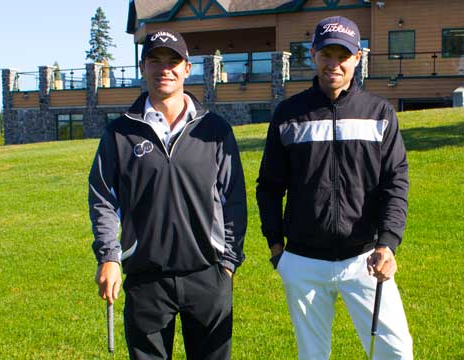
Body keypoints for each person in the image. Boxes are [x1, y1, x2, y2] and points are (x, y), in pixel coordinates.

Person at [256, 16, 413, 359]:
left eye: (343, 55)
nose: (334, 64)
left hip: (366, 259)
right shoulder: (289, 114)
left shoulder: (379, 113)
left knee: (395, 351)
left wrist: (388, 244)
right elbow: (268, 186)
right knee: (313, 355)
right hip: (303, 261)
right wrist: (276, 249)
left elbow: (395, 183)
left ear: (358, 58)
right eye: (326, 54)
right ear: (313, 54)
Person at [89, 30, 247, 360]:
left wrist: (229, 263)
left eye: (173, 61)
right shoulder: (120, 132)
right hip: (146, 277)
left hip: (208, 273)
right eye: (155, 61)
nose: (165, 69)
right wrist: (109, 256)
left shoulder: (214, 130)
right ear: (143, 67)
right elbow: (103, 197)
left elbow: (234, 199)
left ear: (187, 69)